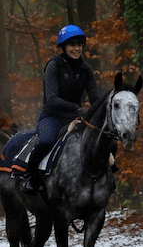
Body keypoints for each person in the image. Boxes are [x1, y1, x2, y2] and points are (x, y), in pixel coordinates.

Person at [24, 24, 100, 192]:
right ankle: (30, 176)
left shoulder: (86, 70)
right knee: (45, 141)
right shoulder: (53, 66)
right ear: (64, 47)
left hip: (76, 120)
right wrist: (76, 108)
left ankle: (103, 179)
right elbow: (51, 99)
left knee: (102, 142)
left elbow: (95, 98)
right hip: (52, 117)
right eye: (72, 45)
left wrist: (102, 110)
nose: (77, 48)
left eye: (80, 45)